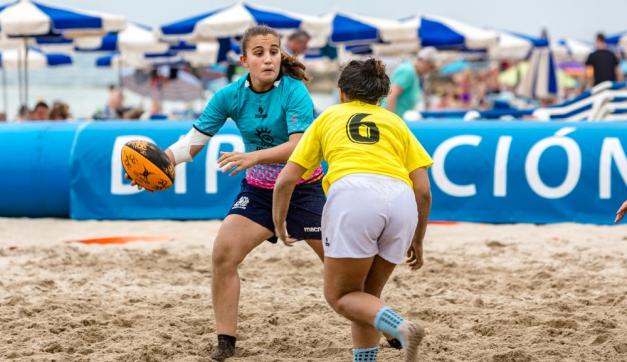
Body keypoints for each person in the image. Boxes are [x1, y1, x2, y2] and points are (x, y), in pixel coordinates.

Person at [158, 25, 325, 361]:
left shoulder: (294, 91)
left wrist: (253, 156)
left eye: (274, 51)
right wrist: (161, 162)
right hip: (261, 191)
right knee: (223, 254)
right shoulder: (228, 96)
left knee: (340, 267)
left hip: (303, 189)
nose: (268, 59)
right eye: (260, 53)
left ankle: (384, 326)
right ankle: (226, 342)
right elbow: (192, 144)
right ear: (244, 60)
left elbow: (297, 147)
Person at [273, 58, 433, 362]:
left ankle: (402, 328)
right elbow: (423, 191)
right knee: (367, 299)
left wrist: (279, 222)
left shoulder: (329, 117)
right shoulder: (395, 122)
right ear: (380, 96)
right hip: (401, 200)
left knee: (341, 296)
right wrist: (418, 239)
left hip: (354, 195)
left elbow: (286, 180)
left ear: (342, 92)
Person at [383, 46, 438, 118]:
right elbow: (391, 95)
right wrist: (391, 120)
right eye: (431, 67)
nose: (430, 71)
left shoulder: (415, 75)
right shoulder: (408, 71)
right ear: (423, 61)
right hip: (391, 121)